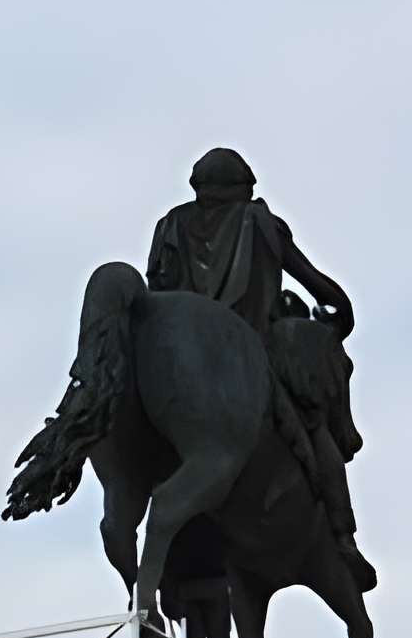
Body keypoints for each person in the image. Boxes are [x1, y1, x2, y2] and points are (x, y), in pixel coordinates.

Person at [146, 149, 375, 590]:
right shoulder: (262, 222)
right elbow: (312, 280)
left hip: (182, 360)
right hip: (250, 351)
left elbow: (157, 292)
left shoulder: (170, 226)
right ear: (243, 187)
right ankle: (344, 539)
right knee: (317, 432)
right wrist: (340, 307)